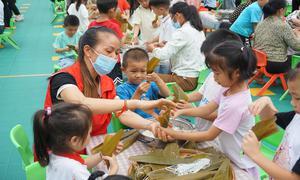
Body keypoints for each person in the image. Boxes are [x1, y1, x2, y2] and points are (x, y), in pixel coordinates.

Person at [45, 26, 175, 138]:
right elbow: (81, 104)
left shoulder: (106, 82)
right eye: (109, 51)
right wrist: (138, 103)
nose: (114, 57)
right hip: (64, 150)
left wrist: (151, 125)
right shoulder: (64, 78)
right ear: (88, 50)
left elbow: (122, 112)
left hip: (95, 143)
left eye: (117, 52)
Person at [161, 40, 259, 179]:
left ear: (236, 72)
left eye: (217, 73)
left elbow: (209, 135)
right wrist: (182, 111)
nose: (213, 77)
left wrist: (175, 133)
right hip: (228, 153)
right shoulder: (228, 88)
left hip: (240, 162)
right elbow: (206, 109)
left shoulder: (236, 104)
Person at [176, 29, 242, 133]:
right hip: (200, 128)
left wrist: (192, 111)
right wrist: (181, 100)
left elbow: (219, 117)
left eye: (213, 64)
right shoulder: (213, 75)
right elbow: (200, 94)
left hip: (214, 138)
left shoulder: (231, 89)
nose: (210, 66)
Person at [242, 63, 300, 180]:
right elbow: (270, 121)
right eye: (291, 96)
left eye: (298, 98)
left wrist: (256, 155)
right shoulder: (296, 116)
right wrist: (266, 102)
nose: (292, 103)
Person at [34, 103, 118, 179]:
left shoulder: (55, 154)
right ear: (74, 140)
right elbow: (78, 167)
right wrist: (112, 172)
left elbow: (83, 163)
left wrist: (101, 154)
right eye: (89, 133)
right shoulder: (75, 170)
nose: (90, 136)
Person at [146, 2, 206, 91]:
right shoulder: (197, 30)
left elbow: (163, 55)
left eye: (171, 18)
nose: (172, 21)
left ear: (177, 15)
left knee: (146, 78)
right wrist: (167, 45)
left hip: (185, 80)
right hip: (195, 77)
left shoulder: (183, 31)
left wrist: (152, 49)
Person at [117, 48, 170, 119]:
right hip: (136, 125)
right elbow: (127, 113)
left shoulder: (150, 84)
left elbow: (166, 94)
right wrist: (138, 94)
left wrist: (158, 80)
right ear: (123, 70)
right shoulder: (121, 89)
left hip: (155, 121)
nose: (138, 75)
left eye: (142, 71)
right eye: (133, 71)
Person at [254, 0, 300, 74]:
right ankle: (293, 82)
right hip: (275, 65)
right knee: (296, 57)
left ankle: (260, 76)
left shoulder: (261, 23)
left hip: (258, 61)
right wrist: (297, 34)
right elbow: (297, 46)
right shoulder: (282, 25)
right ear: (281, 10)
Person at [88, 0, 123, 85]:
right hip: (111, 62)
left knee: (99, 84)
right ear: (112, 10)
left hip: (97, 61)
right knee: (114, 85)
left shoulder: (92, 24)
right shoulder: (113, 26)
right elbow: (119, 44)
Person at [148, 0, 176, 74]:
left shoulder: (169, 23)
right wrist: (151, 42)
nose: (153, 12)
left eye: (153, 9)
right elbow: (161, 35)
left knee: (160, 80)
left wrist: (155, 46)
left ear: (161, 9)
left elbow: (167, 42)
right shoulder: (164, 19)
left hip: (165, 58)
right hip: (161, 56)